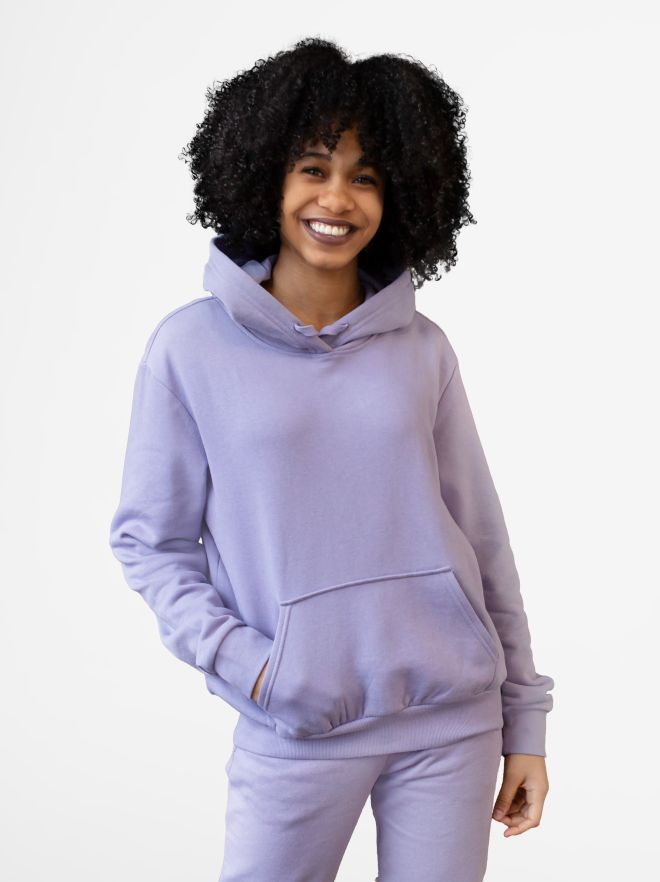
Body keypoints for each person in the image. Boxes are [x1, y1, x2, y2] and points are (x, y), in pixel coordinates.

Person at [108, 36, 555, 882]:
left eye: (366, 177)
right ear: (264, 179)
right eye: (313, 169)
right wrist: (257, 668)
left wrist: (524, 721)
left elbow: (481, 537)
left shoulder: (423, 348)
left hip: (453, 722)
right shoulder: (189, 349)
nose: (337, 199)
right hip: (297, 727)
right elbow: (149, 542)